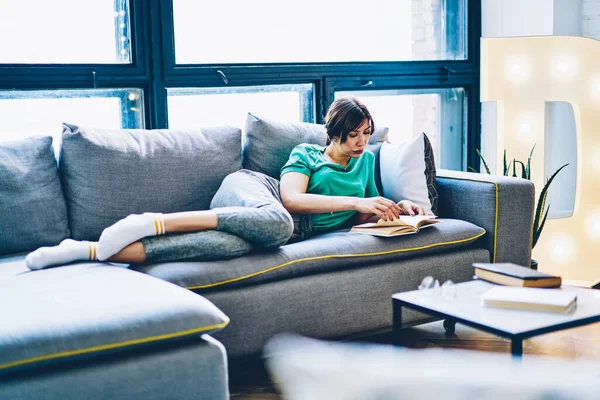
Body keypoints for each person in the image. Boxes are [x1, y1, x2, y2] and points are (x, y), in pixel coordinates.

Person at [25, 97, 423, 271]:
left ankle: (87, 251)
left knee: (225, 247)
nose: (362, 142)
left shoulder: (367, 162)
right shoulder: (307, 154)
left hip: (277, 229)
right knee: (279, 223)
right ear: (334, 133)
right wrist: (356, 204)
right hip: (256, 194)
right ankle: (150, 220)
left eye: (367, 133)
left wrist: (400, 209)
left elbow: (373, 207)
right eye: (354, 134)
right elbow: (292, 199)